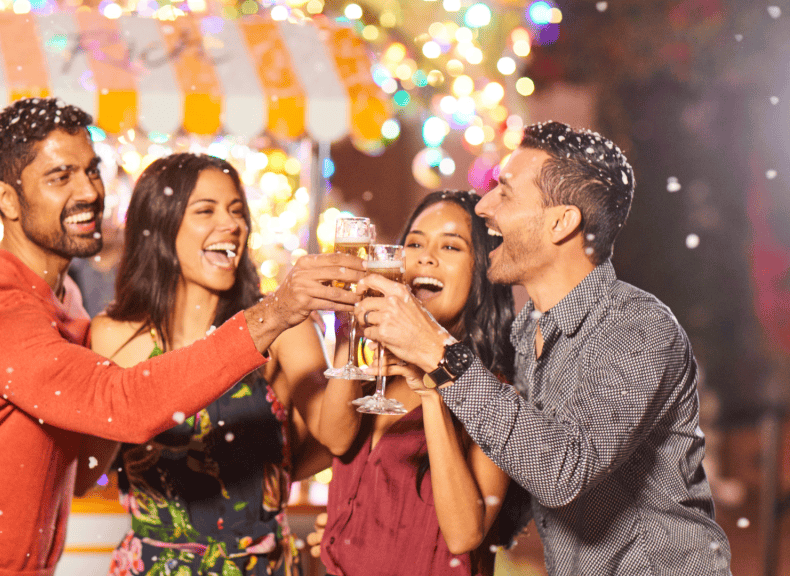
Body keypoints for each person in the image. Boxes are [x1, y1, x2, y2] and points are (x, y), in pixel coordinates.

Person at [0, 98, 365, 576]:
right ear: (7, 200)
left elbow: (82, 443)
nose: (89, 191)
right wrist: (274, 313)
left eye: (91, 170)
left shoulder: (67, 300)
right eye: (60, 177)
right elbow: (122, 404)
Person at [356, 121, 733, 575]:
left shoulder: (638, 329)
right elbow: (515, 489)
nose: (483, 206)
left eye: (505, 192)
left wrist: (441, 353)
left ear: (561, 223)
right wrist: (359, 531)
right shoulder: (525, 333)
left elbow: (562, 472)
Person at [90, 152, 358, 575]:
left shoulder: (282, 323)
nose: (231, 224)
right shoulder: (114, 335)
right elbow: (86, 466)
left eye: (236, 210)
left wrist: (348, 332)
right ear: (159, 225)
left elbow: (337, 438)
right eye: (206, 210)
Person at [311, 191, 525, 576]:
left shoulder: (495, 394)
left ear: (482, 270)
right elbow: (335, 439)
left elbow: (464, 535)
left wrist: (432, 393)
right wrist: (357, 323)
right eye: (414, 243)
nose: (426, 257)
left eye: (450, 246)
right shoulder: (374, 369)